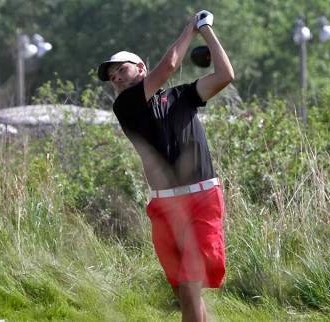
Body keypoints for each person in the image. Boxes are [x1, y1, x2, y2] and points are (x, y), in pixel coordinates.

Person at [97, 10, 234, 322]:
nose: (116, 77)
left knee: (189, 288)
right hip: (165, 207)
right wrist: (191, 29)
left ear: (141, 68)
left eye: (121, 69)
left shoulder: (183, 96)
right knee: (181, 291)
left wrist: (205, 29)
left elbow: (226, 75)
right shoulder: (125, 106)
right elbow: (170, 65)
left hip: (201, 200)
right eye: (112, 76)